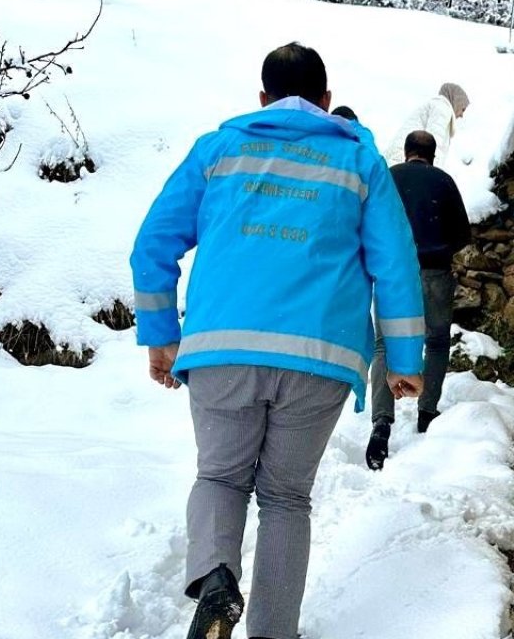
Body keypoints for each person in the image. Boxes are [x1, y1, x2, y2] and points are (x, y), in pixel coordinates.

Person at [130, 42, 426, 639]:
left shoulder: (218, 150)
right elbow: (395, 264)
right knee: (287, 499)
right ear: (326, 100)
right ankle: (273, 632)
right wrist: (405, 358)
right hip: (321, 356)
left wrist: (163, 337)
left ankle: (215, 580)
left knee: (219, 478)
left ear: (262, 99)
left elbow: (152, 245)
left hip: (222, 349)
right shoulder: (359, 161)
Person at [366, 130, 471, 471]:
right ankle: (427, 413)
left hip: (395, 276)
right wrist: (439, 251)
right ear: (432, 154)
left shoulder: (388, 179)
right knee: (437, 342)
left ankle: (382, 422)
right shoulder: (443, 181)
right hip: (435, 273)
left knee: (384, 346)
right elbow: (463, 234)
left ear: (407, 151)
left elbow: (370, 224)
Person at [381, 83, 470, 166]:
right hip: (404, 161)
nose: (462, 115)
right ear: (456, 101)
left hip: (400, 160)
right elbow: (434, 142)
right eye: (463, 109)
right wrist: (433, 174)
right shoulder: (442, 108)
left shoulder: (436, 106)